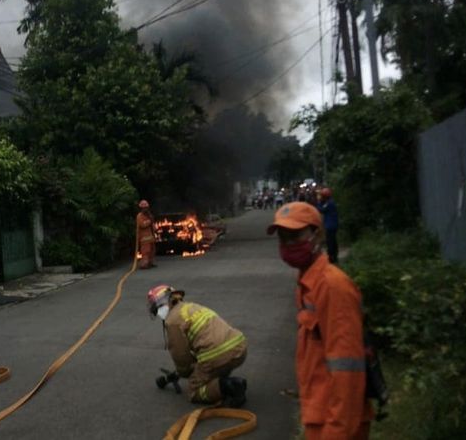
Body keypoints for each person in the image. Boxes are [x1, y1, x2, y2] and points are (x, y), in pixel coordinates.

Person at [267, 202, 372, 439]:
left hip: (336, 422)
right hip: (320, 414)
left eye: (296, 235)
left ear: (318, 235)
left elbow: (348, 370)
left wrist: (337, 431)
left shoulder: (332, 287)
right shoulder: (308, 283)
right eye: (283, 237)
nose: (288, 244)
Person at [147, 285, 248, 406]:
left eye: (157, 307)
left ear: (166, 302)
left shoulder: (172, 320)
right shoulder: (191, 307)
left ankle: (229, 386)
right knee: (207, 369)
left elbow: (181, 357)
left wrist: (185, 372)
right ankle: (222, 380)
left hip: (219, 356)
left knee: (194, 391)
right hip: (239, 348)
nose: (157, 311)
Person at [317, 187, 339, 264]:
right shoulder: (330, 202)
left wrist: (319, 202)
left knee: (330, 242)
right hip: (333, 224)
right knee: (333, 241)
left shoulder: (329, 203)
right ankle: (334, 256)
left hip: (330, 225)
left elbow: (321, 210)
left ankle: (332, 257)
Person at [137, 200, 157, 269]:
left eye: (146, 207)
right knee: (146, 251)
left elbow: (152, 224)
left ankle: (150, 263)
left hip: (150, 237)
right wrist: (149, 221)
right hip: (144, 238)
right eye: (144, 208)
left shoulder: (149, 215)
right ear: (141, 208)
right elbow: (142, 224)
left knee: (152, 250)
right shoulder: (139, 216)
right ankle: (144, 264)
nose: (145, 209)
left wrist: (154, 227)